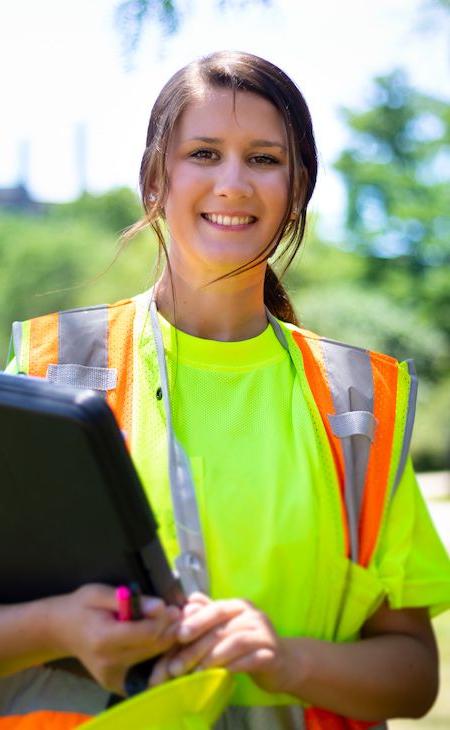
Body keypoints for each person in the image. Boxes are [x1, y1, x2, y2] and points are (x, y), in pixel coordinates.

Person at [1, 51, 450, 730]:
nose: (233, 183)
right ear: (156, 177)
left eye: (264, 159)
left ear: (299, 188)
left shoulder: (359, 402)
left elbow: (414, 678)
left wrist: (286, 661)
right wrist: (57, 627)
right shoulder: (49, 370)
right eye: (204, 153)